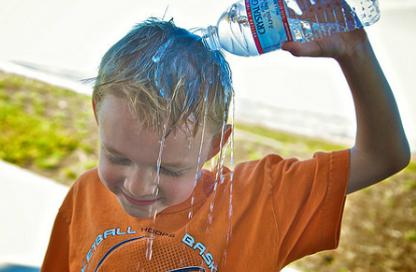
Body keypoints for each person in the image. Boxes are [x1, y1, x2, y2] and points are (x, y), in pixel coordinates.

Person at [41, 17, 410, 271]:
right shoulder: (85, 194)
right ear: (96, 113)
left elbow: (384, 156)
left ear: (217, 145)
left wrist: (354, 53)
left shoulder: (261, 202)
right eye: (117, 157)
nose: (138, 186)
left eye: (169, 169)